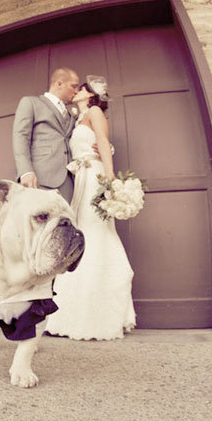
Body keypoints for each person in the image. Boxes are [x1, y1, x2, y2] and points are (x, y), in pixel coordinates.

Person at [45, 75, 136, 340]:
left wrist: (109, 183)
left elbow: (103, 143)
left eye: (80, 88)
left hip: (95, 178)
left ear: (89, 94)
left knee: (96, 234)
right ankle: (71, 309)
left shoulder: (95, 112)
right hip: (81, 180)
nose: (75, 91)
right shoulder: (76, 120)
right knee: (81, 234)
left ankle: (100, 312)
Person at [12, 68, 80, 203]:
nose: (76, 91)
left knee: (64, 223)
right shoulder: (31, 102)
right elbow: (20, 136)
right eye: (74, 86)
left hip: (69, 182)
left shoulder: (72, 114)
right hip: (40, 176)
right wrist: (25, 171)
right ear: (59, 84)